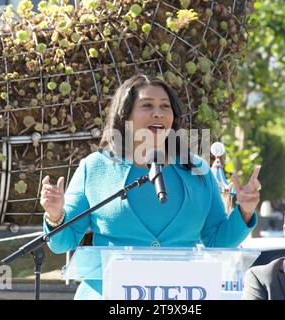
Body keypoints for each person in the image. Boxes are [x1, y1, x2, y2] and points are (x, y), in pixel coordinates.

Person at [40, 74, 261, 299]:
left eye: (165, 106)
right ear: (125, 115)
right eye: (147, 105)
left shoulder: (197, 169)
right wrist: (56, 215)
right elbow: (62, 243)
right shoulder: (95, 167)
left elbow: (217, 241)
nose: (158, 113)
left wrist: (244, 210)